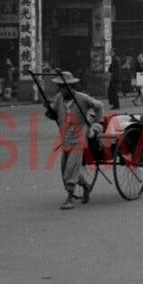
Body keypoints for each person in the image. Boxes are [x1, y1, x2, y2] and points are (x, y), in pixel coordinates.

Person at [50, 71, 104, 211]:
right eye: (59, 86)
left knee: (72, 166)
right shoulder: (58, 99)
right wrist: (49, 111)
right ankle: (86, 186)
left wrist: (97, 125)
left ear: (70, 87)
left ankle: (69, 198)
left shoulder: (82, 98)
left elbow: (99, 106)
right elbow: (54, 113)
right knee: (65, 168)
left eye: (63, 87)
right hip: (66, 136)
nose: (61, 89)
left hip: (79, 136)